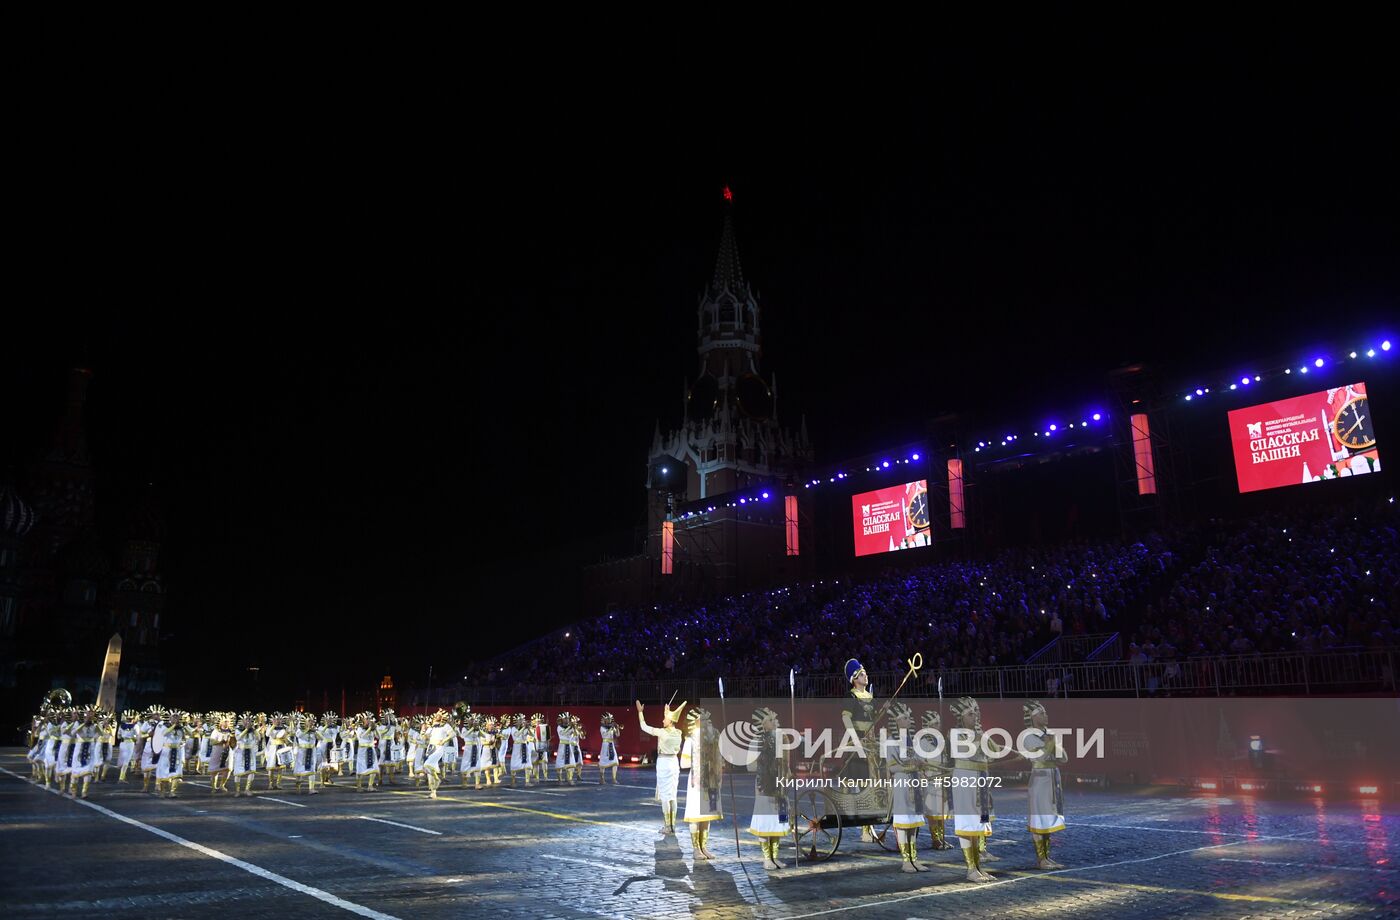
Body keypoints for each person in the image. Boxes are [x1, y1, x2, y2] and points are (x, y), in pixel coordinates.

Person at [949, 697, 1002, 882]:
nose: (975, 716)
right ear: (961, 717)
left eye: (976, 712)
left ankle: (978, 867)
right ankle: (971, 869)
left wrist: (984, 736)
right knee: (967, 824)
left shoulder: (979, 733)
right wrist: (980, 738)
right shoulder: (955, 733)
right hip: (965, 780)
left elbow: (994, 753)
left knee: (978, 823)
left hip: (980, 779)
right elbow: (968, 753)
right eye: (970, 714)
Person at [839, 658, 883, 842]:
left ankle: (867, 829)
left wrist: (882, 712)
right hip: (856, 743)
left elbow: (873, 721)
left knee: (870, 787)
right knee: (852, 784)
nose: (866, 676)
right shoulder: (851, 697)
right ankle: (844, 814)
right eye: (862, 674)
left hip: (870, 744)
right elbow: (846, 720)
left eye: (865, 673)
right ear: (855, 678)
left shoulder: (871, 698)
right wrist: (856, 740)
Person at [1021, 700, 1067, 869]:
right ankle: (1041, 859)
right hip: (1040, 779)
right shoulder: (1028, 736)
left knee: (1048, 818)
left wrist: (1051, 744)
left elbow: (1063, 758)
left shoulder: (1049, 733)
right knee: (1039, 819)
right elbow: (1040, 757)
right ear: (1032, 718)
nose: (1045, 715)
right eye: (1041, 713)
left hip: (1053, 777)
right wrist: (1050, 744)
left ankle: (1047, 857)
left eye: (1045, 713)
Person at [884, 703, 928, 872]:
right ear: (896, 722)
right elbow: (892, 767)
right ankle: (905, 860)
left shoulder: (911, 740)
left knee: (914, 823)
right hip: (902, 783)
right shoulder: (891, 741)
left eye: (909, 717)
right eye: (904, 718)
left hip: (914, 781)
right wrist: (911, 766)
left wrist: (921, 763)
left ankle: (914, 858)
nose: (908, 720)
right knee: (904, 823)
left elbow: (917, 758)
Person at [636, 698, 685, 835]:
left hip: (664, 763)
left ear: (669, 721)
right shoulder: (679, 733)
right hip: (674, 763)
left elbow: (644, 727)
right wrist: (667, 712)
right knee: (673, 796)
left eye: (664, 719)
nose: (662, 721)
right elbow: (670, 724)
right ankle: (672, 825)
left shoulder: (662, 732)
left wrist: (640, 712)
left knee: (665, 796)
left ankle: (667, 827)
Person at [748, 707, 788, 871]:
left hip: (780, 785)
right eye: (770, 720)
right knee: (765, 822)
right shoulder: (756, 741)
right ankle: (767, 858)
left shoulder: (779, 738)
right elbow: (750, 766)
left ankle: (775, 856)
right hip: (765, 785)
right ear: (763, 725)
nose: (775, 722)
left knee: (778, 821)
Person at [681, 706, 722, 859]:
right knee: (695, 814)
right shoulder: (690, 739)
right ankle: (695, 849)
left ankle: (703, 846)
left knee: (707, 814)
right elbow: (684, 764)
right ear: (697, 721)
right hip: (697, 782)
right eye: (703, 719)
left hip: (710, 779)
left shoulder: (712, 739)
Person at [920, 710, 952, 849]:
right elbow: (921, 761)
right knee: (933, 811)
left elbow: (946, 757)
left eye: (939, 723)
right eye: (935, 723)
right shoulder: (922, 741)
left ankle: (942, 838)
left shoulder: (941, 739)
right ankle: (935, 839)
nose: (938, 726)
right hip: (930, 778)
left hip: (942, 777)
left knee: (941, 811)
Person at [156, 712, 187, 798]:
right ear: (170, 718)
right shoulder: (164, 726)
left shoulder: (181, 728)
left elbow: (187, 736)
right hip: (166, 751)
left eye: (177, 717)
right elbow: (164, 733)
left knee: (176, 772)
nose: (175, 719)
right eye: (174, 717)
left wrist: (185, 727)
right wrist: (173, 725)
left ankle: (172, 792)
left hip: (177, 751)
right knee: (164, 772)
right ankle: (162, 792)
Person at [231, 713, 261, 796]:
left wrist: (254, 730)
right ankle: (237, 790)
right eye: (246, 720)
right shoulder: (238, 729)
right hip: (240, 752)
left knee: (251, 771)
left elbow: (258, 738)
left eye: (249, 720)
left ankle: (247, 789)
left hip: (250, 752)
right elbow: (238, 738)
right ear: (242, 721)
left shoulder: (253, 730)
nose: (248, 722)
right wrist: (246, 730)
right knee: (238, 772)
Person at [292, 714, 320, 794]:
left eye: (312, 721)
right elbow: (299, 735)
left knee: (312, 769)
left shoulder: (314, 730)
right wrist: (308, 729)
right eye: (309, 721)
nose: (311, 722)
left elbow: (321, 738)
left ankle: (311, 789)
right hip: (301, 752)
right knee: (299, 770)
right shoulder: (300, 730)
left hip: (311, 751)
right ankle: (298, 787)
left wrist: (315, 731)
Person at [207, 714, 232, 794]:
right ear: (221, 723)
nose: (227, 723)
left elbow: (235, 742)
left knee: (227, 770)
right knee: (215, 771)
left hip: (228, 752)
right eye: (225, 721)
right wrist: (220, 742)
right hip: (217, 752)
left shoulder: (231, 731)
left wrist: (231, 742)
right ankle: (213, 787)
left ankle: (222, 785)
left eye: (228, 721)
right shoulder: (216, 731)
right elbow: (211, 742)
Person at [597, 712, 621, 784]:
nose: (609, 720)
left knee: (615, 762)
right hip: (605, 745)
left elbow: (617, 735)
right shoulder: (602, 727)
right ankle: (601, 779)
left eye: (610, 719)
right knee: (603, 762)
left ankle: (614, 779)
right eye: (608, 719)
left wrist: (617, 728)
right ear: (604, 720)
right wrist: (612, 727)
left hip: (611, 744)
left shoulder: (612, 727)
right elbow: (606, 733)